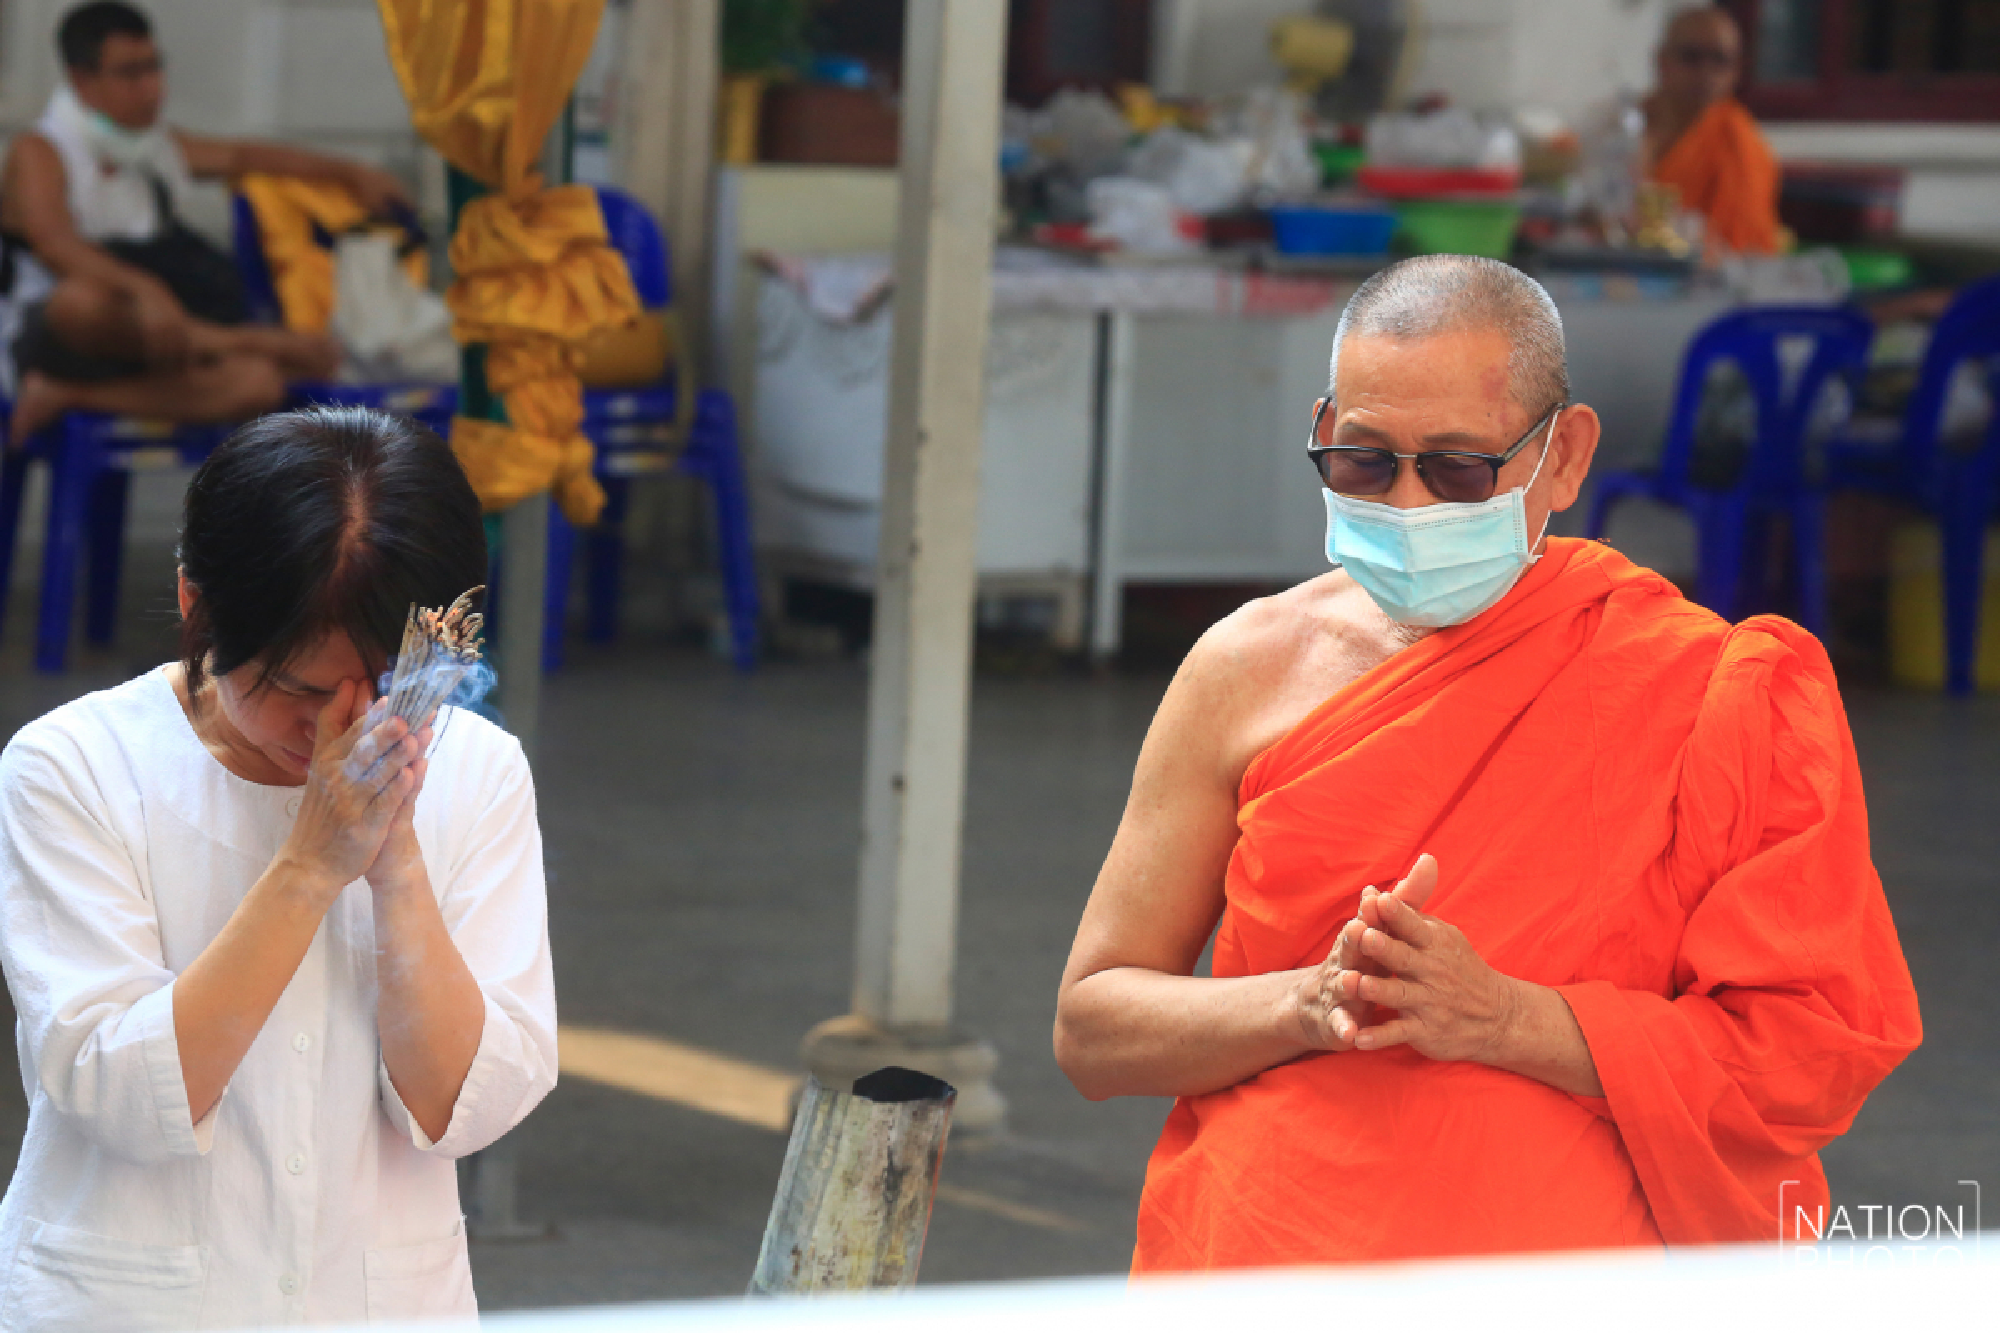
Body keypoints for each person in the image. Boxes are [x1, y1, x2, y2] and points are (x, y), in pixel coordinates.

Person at [1054, 254, 1921, 1269]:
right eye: (1365, 462)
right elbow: (1095, 1028)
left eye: (1458, 468)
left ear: (1562, 457)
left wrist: (1512, 1020)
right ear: (1324, 428)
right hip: (1266, 1261)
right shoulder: (1244, 667)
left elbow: (1809, 1054)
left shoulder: (1714, 687)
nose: (1409, 505)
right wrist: (1303, 1001)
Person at [0, 406, 556, 1327]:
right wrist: (307, 867)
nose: (342, 727)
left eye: (389, 687)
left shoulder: (478, 771)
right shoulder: (75, 767)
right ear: (197, 607)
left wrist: (395, 859)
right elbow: (115, 1092)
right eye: (300, 689)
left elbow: (475, 1103)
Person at [0, 2, 415, 443]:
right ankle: (254, 341)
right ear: (83, 82)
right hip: (63, 336)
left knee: (258, 385)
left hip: (160, 341)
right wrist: (144, 289)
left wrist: (352, 173)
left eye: (155, 67)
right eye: (131, 73)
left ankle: (70, 395)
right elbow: (53, 243)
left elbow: (246, 156)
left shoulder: (156, 149)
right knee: (82, 301)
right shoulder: (40, 151)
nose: (152, 87)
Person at [1643, 4, 1784, 255]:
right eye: (1691, 57)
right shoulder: (1622, 127)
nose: (1705, 73)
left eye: (1720, 60)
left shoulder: (1740, 144)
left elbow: (1743, 246)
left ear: (1737, 71)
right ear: (1661, 61)